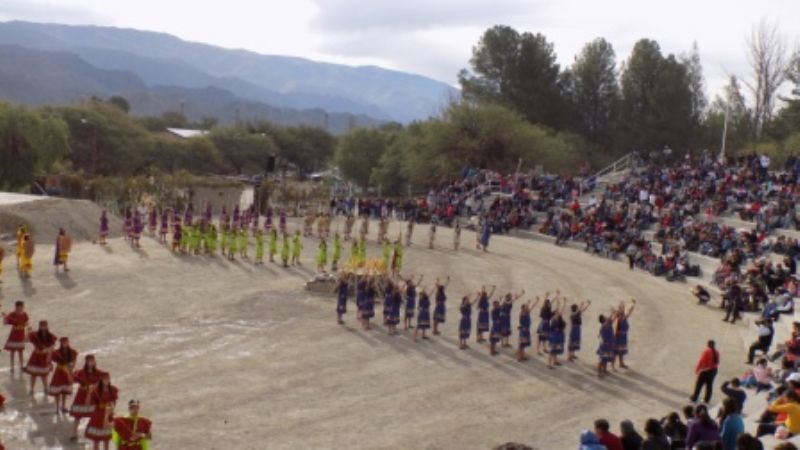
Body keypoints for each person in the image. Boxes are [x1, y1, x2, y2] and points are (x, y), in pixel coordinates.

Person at [71, 354, 105, 442]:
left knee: (94, 414)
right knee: (77, 415)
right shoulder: (80, 372)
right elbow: (73, 379)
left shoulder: (99, 373)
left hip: (92, 395)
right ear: (86, 362)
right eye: (89, 361)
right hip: (82, 394)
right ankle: (74, 433)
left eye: (92, 361)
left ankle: (93, 431)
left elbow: (102, 382)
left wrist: (95, 386)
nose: (91, 363)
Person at [85, 373, 118, 450]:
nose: (106, 380)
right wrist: (89, 392)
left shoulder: (113, 389)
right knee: (96, 439)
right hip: (98, 415)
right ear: (101, 380)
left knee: (106, 439)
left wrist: (112, 410)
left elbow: (113, 402)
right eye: (105, 379)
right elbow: (87, 404)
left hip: (108, 414)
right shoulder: (95, 391)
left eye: (108, 378)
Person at [24, 320, 57, 396]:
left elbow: (52, 346)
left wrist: (48, 351)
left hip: (44, 357)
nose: (43, 327)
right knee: (33, 374)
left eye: (44, 326)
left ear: (47, 326)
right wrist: (28, 332)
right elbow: (26, 340)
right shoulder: (34, 334)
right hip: (36, 356)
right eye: (42, 326)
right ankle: (32, 389)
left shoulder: (50, 336)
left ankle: (45, 388)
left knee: (44, 375)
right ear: (40, 326)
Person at [50, 337, 78, 415]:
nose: (65, 344)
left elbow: (74, 361)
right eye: (63, 343)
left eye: (66, 342)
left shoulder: (72, 352)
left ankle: (63, 407)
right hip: (59, 372)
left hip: (67, 372)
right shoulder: (57, 352)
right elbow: (51, 359)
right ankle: (57, 408)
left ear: (68, 342)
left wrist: (71, 368)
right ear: (61, 344)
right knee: (57, 391)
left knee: (64, 392)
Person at [3, 300, 29, 373]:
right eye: (19, 307)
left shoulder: (24, 314)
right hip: (14, 335)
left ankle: (21, 366)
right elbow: (5, 322)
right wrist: (5, 317)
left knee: (20, 351)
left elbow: (27, 322)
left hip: (21, 335)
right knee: (12, 351)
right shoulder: (12, 314)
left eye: (21, 307)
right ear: (16, 307)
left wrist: (25, 324)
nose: (20, 308)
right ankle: (12, 366)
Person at [691, 340, 719, 404]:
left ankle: (694, 398)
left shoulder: (707, 351)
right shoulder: (717, 352)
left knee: (699, 385)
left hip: (705, 370)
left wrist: (697, 369)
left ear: (708, 344)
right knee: (709, 385)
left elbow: (701, 361)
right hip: (714, 370)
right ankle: (707, 400)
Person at [613, 299, 635, 369]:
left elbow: (629, 312)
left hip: (623, 337)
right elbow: (628, 312)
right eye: (621, 309)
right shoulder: (619, 318)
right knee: (616, 351)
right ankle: (613, 365)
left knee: (621, 351)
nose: (623, 310)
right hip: (619, 337)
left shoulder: (623, 317)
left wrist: (633, 304)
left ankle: (621, 363)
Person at [516, 297, 538, 361]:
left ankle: (522, 356)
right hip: (523, 330)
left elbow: (532, 306)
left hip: (526, 330)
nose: (528, 308)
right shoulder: (522, 313)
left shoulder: (526, 312)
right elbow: (526, 310)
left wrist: (536, 301)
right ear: (523, 308)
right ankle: (519, 357)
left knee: (523, 344)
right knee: (521, 344)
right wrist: (527, 303)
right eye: (526, 307)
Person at [597, 313, 615, 377]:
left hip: (608, 344)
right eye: (605, 317)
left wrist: (615, 313)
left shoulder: (608, 324)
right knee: (602, 359)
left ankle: (604, 370)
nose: (606, 317)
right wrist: (612, 313)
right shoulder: (604, 325)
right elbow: (609, 320)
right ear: (603, 319)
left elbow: (613, 319)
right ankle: (599, 372)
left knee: (606, 358)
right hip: (604, 345)